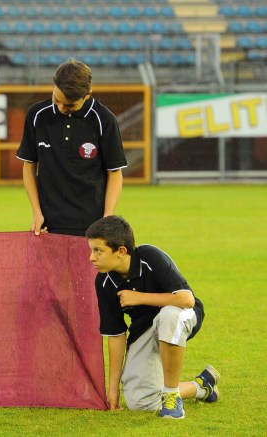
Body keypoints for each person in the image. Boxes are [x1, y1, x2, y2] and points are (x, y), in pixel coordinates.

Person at [85, 215, 219, 419]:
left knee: (168, 316)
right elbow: (116, 335)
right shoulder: (103, 282)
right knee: (139, 402)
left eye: (98, 250)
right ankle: (201, 386)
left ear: (121, 251)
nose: (91, 258)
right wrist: (113, 389)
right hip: (145, 328)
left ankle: (171, 398)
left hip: (182, 315)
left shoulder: (149, 256)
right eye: (91, 250)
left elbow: (186, 299)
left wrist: (139, 297)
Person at [16, 59, 127, 236]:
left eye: (69, 105)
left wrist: (107, 216)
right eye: (56, 99)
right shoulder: (36, 115)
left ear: (87, 94)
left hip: (91, 224)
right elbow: (29, 166)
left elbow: (114, 173)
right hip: (48, 225)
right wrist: (36, 212)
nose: (60, 107)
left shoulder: (104, 120)